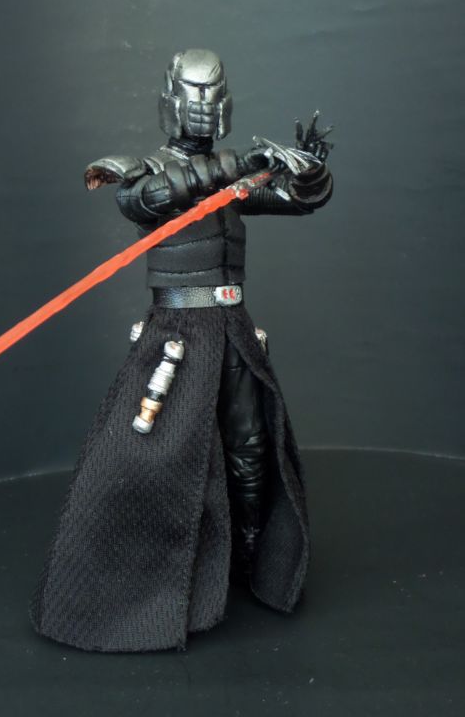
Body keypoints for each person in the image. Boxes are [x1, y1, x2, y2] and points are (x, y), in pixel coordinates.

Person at [30, 49, 333, 652]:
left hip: (233, 326)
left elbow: (296, 200)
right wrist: (243, 162)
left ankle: (250, 557)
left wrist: (309, 172)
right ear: (172, 100)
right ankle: (157, 581)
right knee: (166, 453)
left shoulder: (233, 181)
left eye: (212, 96)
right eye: (193, 96)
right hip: (178, 334)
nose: (203, 108)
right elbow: (152, 198)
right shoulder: (141, 172)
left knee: (250, 446)